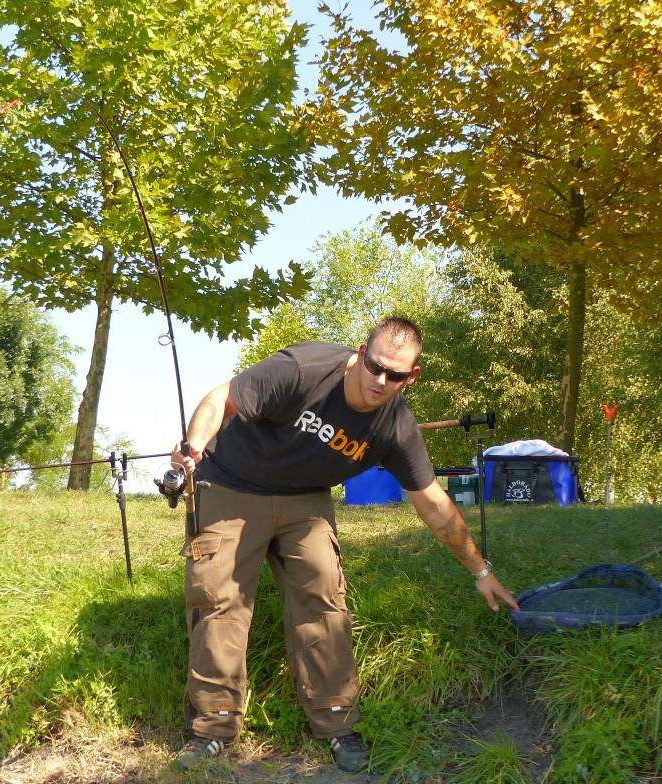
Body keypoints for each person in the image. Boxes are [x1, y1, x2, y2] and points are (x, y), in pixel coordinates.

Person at [170, 315, 519, 773]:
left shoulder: (394, 427)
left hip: (305, 500)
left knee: (324, 597)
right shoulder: (303, 369)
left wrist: (481, 571)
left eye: (395, 375)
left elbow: (434, 504)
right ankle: (212, 727)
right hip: (231, 483)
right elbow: (222, 398)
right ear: (360, 352)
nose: (380, 380)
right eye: (375, 366)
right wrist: (193, 447)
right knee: (219, 599)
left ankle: (335, 720)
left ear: (411, 376)